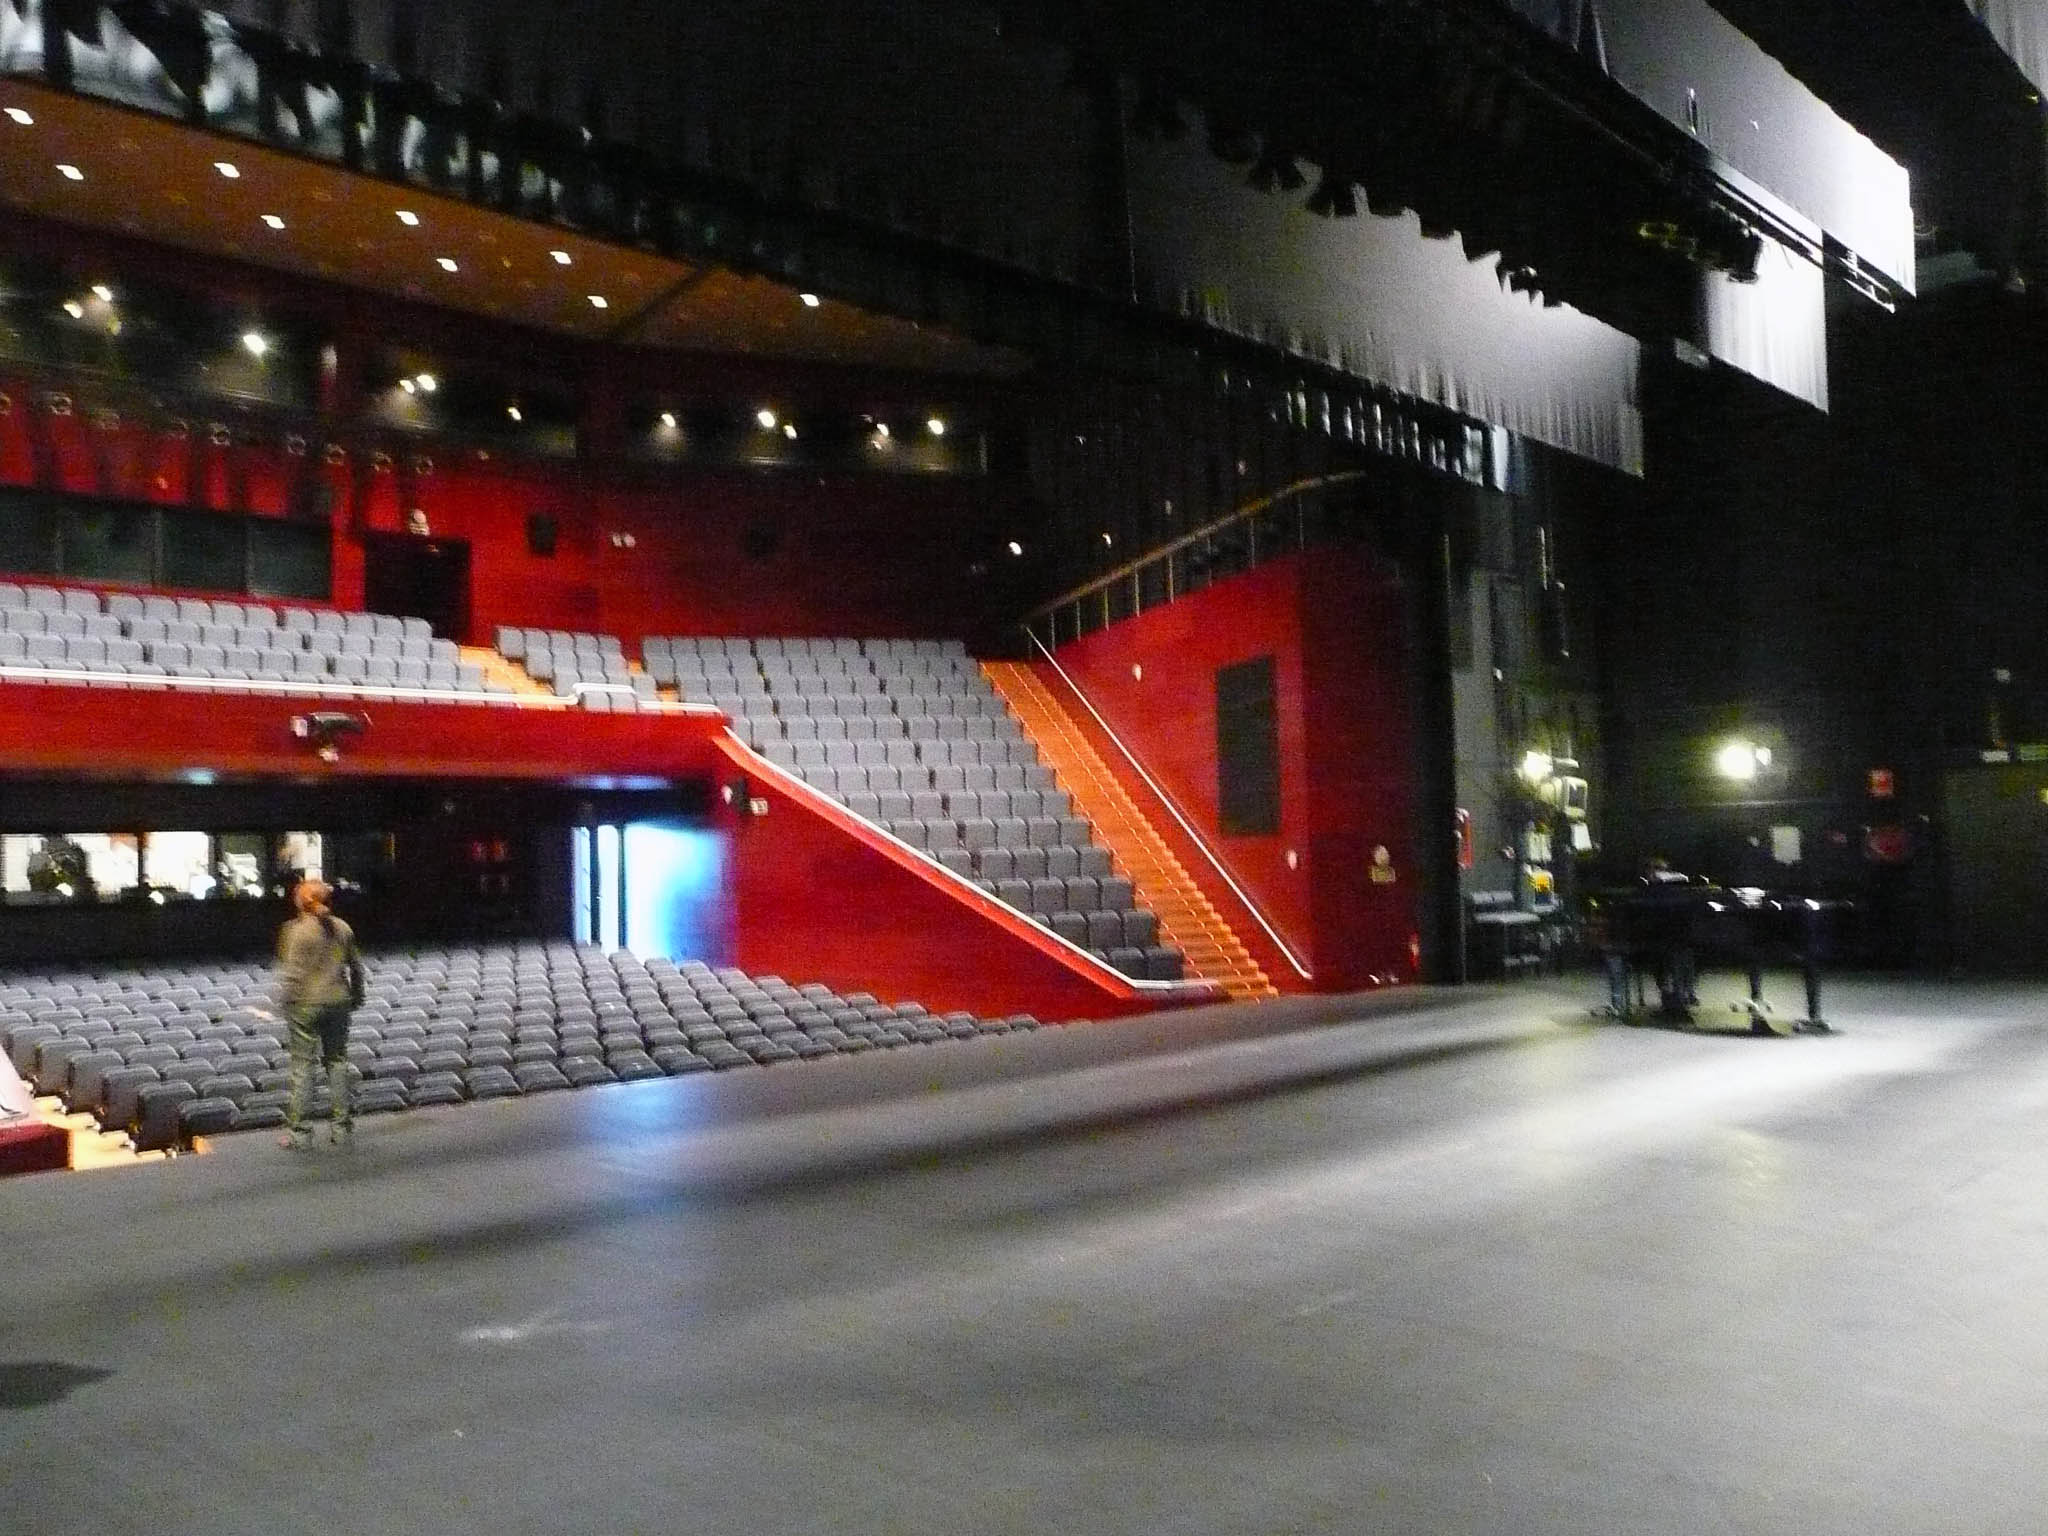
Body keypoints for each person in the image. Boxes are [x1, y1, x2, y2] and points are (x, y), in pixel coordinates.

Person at [273, 878, 363, 1148]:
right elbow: (357, 968)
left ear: (300, 903)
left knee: (303, 1066)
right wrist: (357, 996)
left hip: (305, 1004)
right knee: (337, 1062)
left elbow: (290, 973)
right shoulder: (343, 927)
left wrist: (283, 1003)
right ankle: (342, 1129)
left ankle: (300, 1133)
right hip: (338, 1001)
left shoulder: (294, 931)